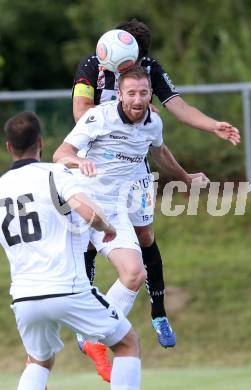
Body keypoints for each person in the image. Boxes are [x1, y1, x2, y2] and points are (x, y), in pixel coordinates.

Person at [72, 18, 240, 371]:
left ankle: (158, 313)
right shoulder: (94, 63)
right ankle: (87, 317)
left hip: (134, 168)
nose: (131, 70)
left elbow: (177, 107)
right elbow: (79, 112)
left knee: (146, 235)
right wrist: (117, 120)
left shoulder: (149, 68)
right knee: (89, 238)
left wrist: (213, 125)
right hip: (96, 165)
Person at [54, 65, 209, 377]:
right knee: (62, 282)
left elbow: (161, 151)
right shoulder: (100, 117)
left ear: (150, 94)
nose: (137, 99)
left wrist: (185, 177)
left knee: (134, 274)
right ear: (120, 94)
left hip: (115, 210)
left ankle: (90, 333)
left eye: (143, 92)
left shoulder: (153, 123)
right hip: (84, 205)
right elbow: (61, 153)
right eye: (131, 93)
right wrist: (78, 159)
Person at [0, 111, 142, 390]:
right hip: (67, 288)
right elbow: (87, 210)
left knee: (39, 361)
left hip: (25, 297)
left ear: (9, 147)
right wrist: (105, 227)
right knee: (127, 344)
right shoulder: (54, 173)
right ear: (41, 143)